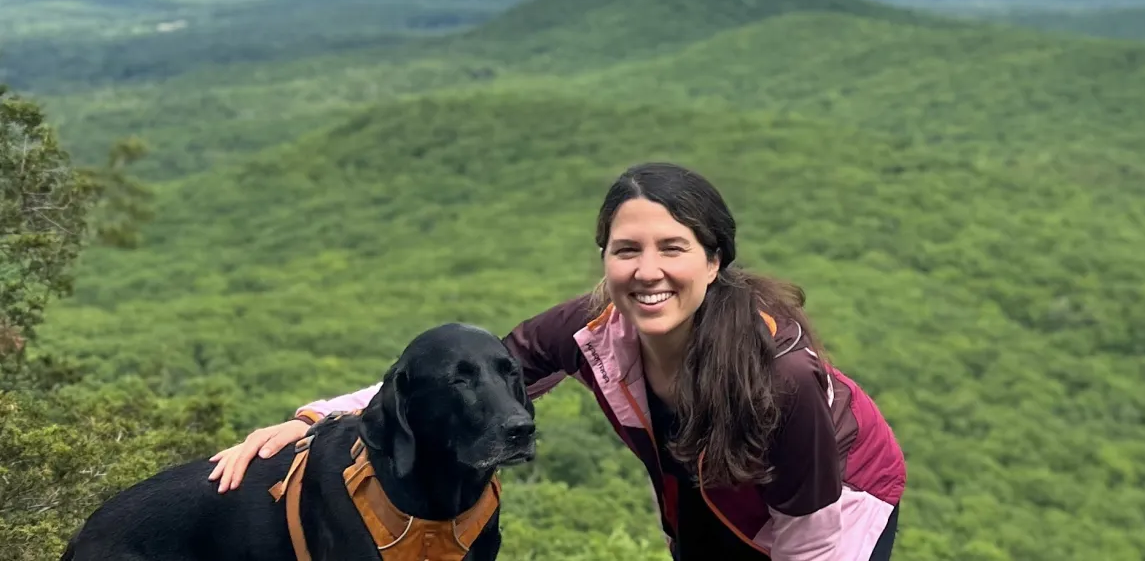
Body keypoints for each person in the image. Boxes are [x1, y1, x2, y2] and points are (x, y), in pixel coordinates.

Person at [206, 162, 907, 561]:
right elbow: (466, 375)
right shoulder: (594, 328)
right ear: (604, 257)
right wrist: (313, 419)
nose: (648, 271)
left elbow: (811, 535)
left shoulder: (777, 380)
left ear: (714, 259)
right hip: (703, 491)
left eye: (674, 248)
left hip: (834, 499)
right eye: (626, 250)